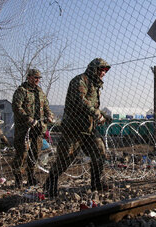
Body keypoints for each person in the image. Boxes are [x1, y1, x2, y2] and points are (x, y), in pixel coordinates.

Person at [43, 58, 112, 196]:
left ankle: (97, 183)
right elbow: (81, 101)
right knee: (65, 158)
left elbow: (94, 106)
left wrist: (104, 115)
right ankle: (50, 184)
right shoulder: (80, 81)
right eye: (102, 70)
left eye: (105, 71)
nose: (104, 73)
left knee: (99, 151)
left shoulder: (95, 85)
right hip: (73, 129)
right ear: (94, 69)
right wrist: (97, 114)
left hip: (88, 129)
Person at [11, 68, 55, 187]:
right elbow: (16, 107)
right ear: (29, 77)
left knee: (35, 153)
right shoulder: (22, 91)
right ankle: (18, 178)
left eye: (38, 78)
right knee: (22, 153)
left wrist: (50, 115)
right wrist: (28, 119)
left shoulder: (40, 92)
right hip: (24, 128)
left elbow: (46, 106)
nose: (37, 80)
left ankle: (31, 177)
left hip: (38, 128)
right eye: (35, 78)